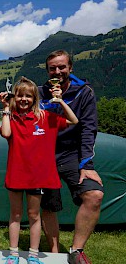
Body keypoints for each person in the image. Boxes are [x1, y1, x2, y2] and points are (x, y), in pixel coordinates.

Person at [0, 76, 78, 264]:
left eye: (28, 96)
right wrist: (6, 108)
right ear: (14, 97)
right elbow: (6, 133)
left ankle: (33, 255)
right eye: (19, 96)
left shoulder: (46, 118)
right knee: (15, 215)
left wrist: (59, 101)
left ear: (35, 98)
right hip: (16, 174)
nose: (24, 99)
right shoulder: (12, 117)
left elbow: (73, 120)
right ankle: (13, 253)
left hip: (37, 177)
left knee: (34, 215)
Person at [39, 50, 104, 264]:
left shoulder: (84, 93)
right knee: (48, 204)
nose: (57, 72)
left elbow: (88, 129)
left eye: (62, 67)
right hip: (45, 155)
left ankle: (76, 251)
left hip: (71, 155)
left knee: (94, 195)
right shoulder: (39, 93)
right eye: (52, 68)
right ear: (47, 70)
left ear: (70, 68)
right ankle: (55, 252)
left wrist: (86, 164)